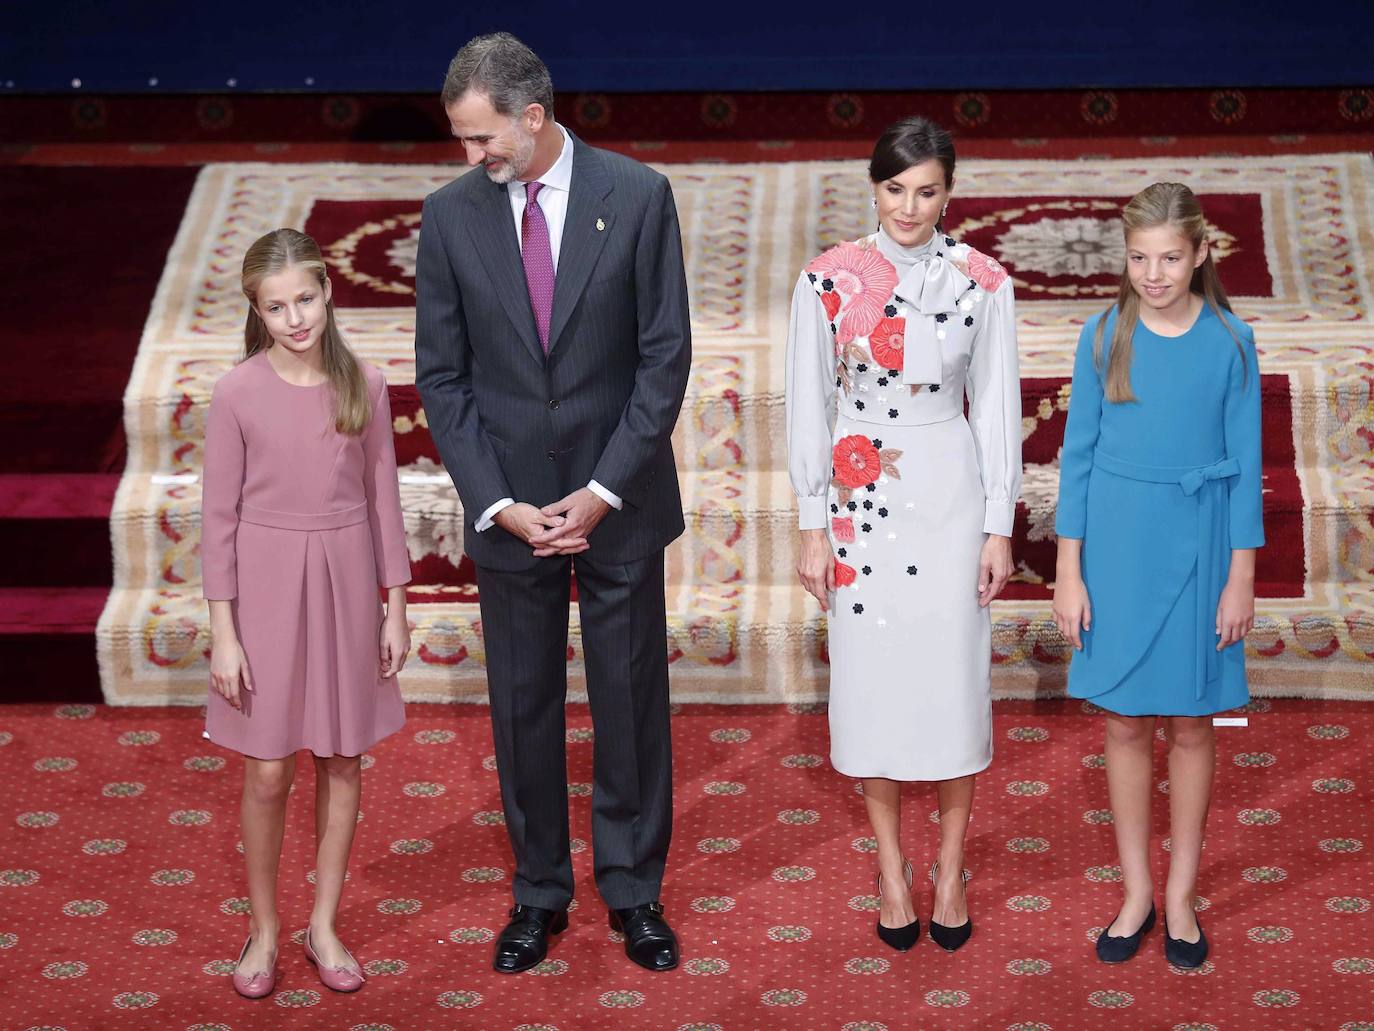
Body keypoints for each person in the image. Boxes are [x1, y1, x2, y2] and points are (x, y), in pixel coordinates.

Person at [414, 33, 691, 974]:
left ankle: (634, 890)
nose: (472, 156)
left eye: (482, 137)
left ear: (533, 118)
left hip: (618, 498)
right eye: (461, 139)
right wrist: (498, 502)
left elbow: (664, 359)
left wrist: (604, 490)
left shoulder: (639, 195)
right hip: (513, 515)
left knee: (628, 701)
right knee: (522, 706)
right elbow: (442, 379)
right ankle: (538, 891)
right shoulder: (449, 218)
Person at [786, 116, 1022, 953]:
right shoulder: (826, 280)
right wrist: (813, 522)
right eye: (895, 188)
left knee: (955, 684)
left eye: (927, 191)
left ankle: (950, 866)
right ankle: (891, 867)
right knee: (873, 689)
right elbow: (809, 401)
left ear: (949, 191)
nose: (910, 207)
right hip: (860, 503)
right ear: (873, 185)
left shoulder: (984, 281)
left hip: (950, 489)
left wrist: (999, 525)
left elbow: (996, 410)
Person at [1052, 182, 1264, 969]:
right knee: (1124, 721)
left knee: (1192, 720)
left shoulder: (1232, 342)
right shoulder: (1106, 333)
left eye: (1170, 257)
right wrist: (1069, 572)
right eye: (1140, 257)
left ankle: (1180, 893)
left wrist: (1240, 576)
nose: (1154, 272)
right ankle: (1136, 889)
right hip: (1117, 544)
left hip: (1203, 542)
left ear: (1203, 254)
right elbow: (1074, 459)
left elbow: (1245, 470)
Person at [202, 228, 412, 998]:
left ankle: (323, 922)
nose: (296, 318)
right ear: (257, 310)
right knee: (266, 770)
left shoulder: (363, 382)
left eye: (307, 299)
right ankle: (263, 927)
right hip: (262, 590)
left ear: (328, 291)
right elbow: (217, 518)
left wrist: (395, 605)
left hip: (347, 581)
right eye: (277, 306)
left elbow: (382, 500)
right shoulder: (237, 393)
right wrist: (224, 633)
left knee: (343, 758)